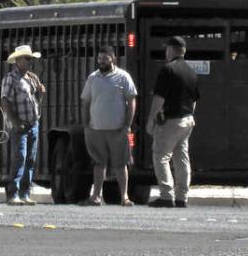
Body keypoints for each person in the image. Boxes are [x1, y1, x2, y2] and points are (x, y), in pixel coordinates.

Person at [145, 36, 200, 208]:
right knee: (181, 158)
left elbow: (159, 98)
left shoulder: (167, 70)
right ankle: (182, 196)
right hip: (187, 120)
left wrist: (151, 120)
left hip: (171, 120)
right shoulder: (192, 72)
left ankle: (166, 195)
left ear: (171, 50)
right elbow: (194, 99)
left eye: (167, 48)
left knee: (160, 156)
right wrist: (190, 115)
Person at [79, 46, 138, 207]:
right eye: (99, 58)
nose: (101, 61)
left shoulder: (123, 77)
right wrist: (86, 124)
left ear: (113, 59)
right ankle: (96, 197)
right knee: (99, 163)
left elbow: (131, 101)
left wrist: (127, 124)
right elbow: (86, 102)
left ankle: (124, 197)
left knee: (120, 164)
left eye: (105, 58)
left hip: (118, 129)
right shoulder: (92, 78)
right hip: (96, 129)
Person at [1, 45, 45, 206]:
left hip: (33, 123)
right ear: (18, 60)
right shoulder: (10, 78)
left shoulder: (32, 78)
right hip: (20, 125)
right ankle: (13, 193)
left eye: (31, 58)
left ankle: (24, 193)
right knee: (20, 158)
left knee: (30, 160)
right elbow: (5, 100)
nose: (30, 61)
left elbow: (36, 101)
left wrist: (40, 93)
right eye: (27, 58)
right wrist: (15, 122)